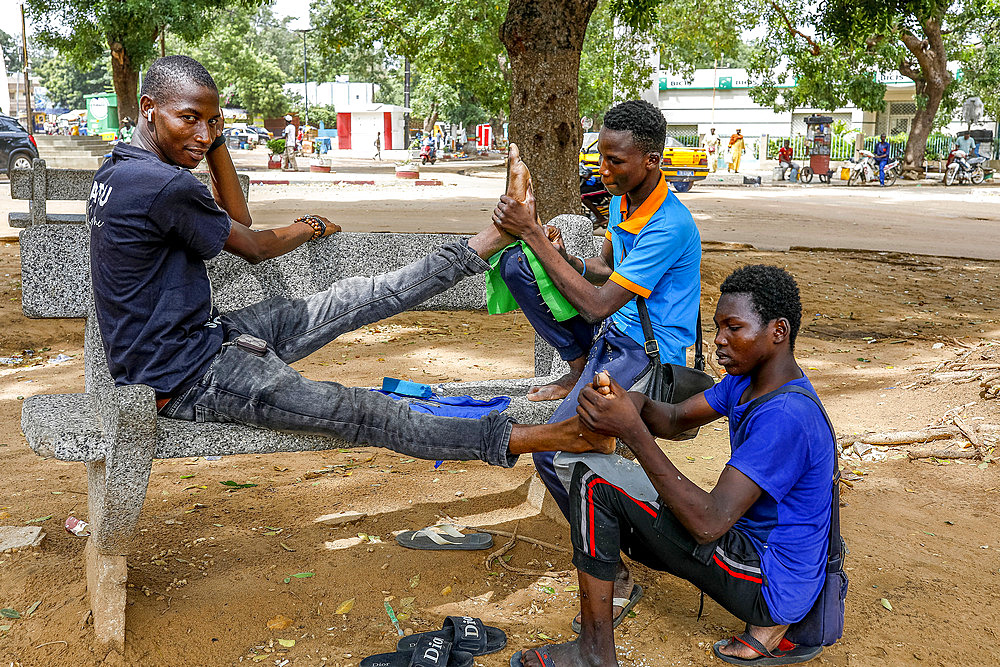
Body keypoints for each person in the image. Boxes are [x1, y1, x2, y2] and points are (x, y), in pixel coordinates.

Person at [86, 55, 616, 485]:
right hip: (187, 377)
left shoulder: (122, 168)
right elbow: (248, 241)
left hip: (203, 339)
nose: (202, 135)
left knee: (358, 296)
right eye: (189, 119)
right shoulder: (163, 185)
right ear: (149, 107)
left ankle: (490, 239)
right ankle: (542, 437)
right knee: (366, 411)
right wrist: (304, 225)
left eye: (213, 121)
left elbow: (234, 220)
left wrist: (211, 136)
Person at [511, 265, 836, 667]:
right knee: (602, 478)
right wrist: (632, 402)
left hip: (770, 581)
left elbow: (708, 524)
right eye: (718, 327)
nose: (719, 341)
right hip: (765, 555)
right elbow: (676, 417)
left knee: (590, 479)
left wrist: (632, 431)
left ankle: (594, 652)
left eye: (734, 328)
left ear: (778, 331)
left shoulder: (785, 416)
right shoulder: (748, 381)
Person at [493, 99, 701, 620]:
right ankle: (579, 366)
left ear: (651, 160)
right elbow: (604, 268)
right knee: (521, 267)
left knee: (554, 453)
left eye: (615, 161)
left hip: (645, 353)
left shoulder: (669, 224)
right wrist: (558, 251)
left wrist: (535, 233)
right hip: (613, 337)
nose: (602, 170)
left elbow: (596, 301)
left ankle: (618, 571)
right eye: (600, 158)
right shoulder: (622, 200)